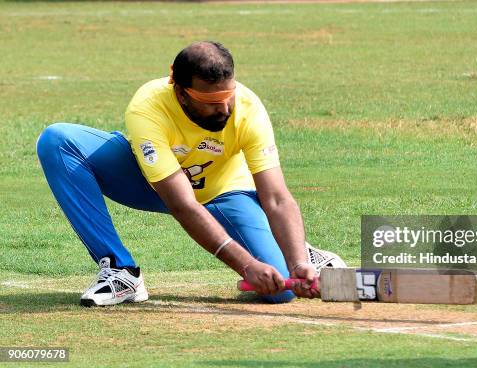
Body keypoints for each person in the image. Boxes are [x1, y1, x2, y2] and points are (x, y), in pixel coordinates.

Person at [36, 40, 345, 307]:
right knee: (58, 140)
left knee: (281, 293)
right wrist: (246, 264)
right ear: (182, 93)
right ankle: (121, 272)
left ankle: (300, 250)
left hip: (225, 193)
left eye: (228, 96)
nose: (224, 109)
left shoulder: (249, 109)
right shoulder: (148, 106)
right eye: (211, 102)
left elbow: (276, 197)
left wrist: (297, 264)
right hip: (155, 186)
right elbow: (183, 205)